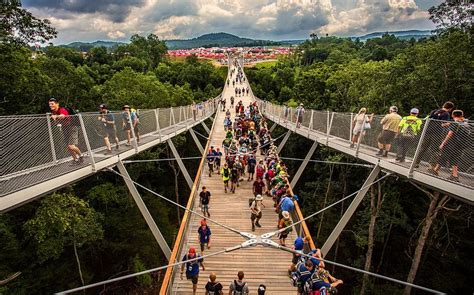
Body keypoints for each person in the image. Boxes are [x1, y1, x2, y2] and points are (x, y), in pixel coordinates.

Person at [428, 110, 470, 182]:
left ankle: (435, 170)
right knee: (454, 159)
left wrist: (442, 143)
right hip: (461, 145)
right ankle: (455, 176)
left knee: (443, 156)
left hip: (452, 144)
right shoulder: (465, 124)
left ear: (453, 115)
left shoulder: (455, 123)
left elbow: (450, 134)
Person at [414, 101, 454, 167]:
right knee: (435, 149)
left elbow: (429, 118)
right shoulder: (446, 114)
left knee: (423, 148)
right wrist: (449, 123)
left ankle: (416, 163)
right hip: (437, 133)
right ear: (450, 108)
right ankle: (431, 166)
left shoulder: (434, 111)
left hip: (427, 132)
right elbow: (443, 124)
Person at [48, 98, 83, 164]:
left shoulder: (61, 109)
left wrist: (56, 116)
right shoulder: (54, 112)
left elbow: (62, 116)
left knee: (71, 146)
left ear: (57, 104)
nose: (50, 105)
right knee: (68, 147)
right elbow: (58, 120)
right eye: (49, 104)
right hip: (65, 128)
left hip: (72, 127)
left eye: (52, 104)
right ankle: (75, 160)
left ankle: (81, 156)